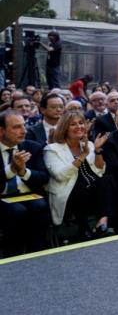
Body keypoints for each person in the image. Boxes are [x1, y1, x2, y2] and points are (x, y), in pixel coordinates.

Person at [43, 110, 116, 238]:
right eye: (73, 124)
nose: (79, 127)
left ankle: (102, 222)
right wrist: (82, 156)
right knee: (81, 189)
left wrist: (98, 150)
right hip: (69, 192)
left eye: (81, 123)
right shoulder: (52, 149)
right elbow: (60, 176)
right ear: (65, 128)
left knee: (108, 180)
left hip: (92, 190)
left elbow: (101, 170)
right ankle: (85, 227)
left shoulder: (90, 144)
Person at [0, 109, 51, 257]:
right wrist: (11, 169)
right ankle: (12, 255)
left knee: (40, 205)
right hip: (2, 197)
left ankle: (36, 254)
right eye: (16, 127)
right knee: (17, 211)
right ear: (1, 130)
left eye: (24, 125)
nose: (23, 131)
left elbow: (44, 177)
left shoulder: (32, 147)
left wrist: (23, 171)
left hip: (28, 194)